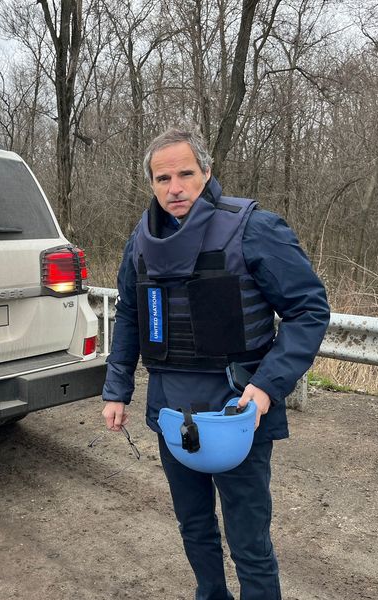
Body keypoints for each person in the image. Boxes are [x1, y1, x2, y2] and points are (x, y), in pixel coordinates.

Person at [101, 125, 330, 600]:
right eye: (163, 178)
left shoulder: (254, 228)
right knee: (194, 527)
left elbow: (309, 310)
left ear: (207, 172)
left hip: (238, 408)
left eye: (186, 174)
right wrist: (116, 389)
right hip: (170, 410)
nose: (175, 187)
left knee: (249, 541)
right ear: (151, 183)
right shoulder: (140, 242)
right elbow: (129, 315)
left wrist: (267, 386)